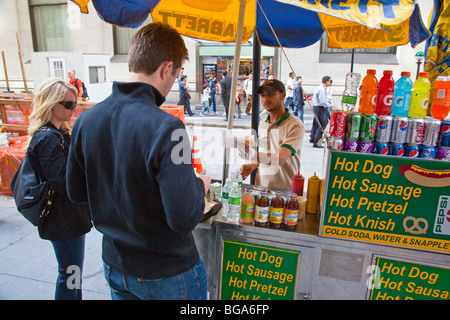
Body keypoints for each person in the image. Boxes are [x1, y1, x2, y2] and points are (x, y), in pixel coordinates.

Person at [66, 22, 211, 300]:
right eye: (177, 74)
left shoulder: (86, 119)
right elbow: (183, 218)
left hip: (116, 264)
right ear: (166, 69)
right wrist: (200, 185)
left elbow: (76, 192)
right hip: (167, 271)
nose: (173, 83)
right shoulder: (169, 128)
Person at [27, 78, 91, 300]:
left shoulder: (58, 134)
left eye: (75, 103)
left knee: (72, 272)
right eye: (69, 104)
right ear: (52, 104)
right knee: (71, 272)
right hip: (63, 219)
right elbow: (62, 181)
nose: (74, 109)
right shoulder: (48, 138)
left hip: (67, 217)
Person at [239, 79, 305, 190]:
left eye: (270, 94)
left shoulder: (295, 125)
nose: (266, 99)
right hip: (261, 188)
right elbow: (265, 151)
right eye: (263, 95)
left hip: (284, 191)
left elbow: (281, 158)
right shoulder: (264, 123)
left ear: (283, 95)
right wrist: (253, 164)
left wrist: (252, 154)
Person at [310, 76, 333, 148]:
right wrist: (330, 105)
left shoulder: (319, 88)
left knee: (316, 123)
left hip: (317, 107)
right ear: (327, 81)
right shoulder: (322, 89)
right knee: (322, 124)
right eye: (329, 81)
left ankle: (313, 138)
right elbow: (322, 101)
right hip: (320, 108)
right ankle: (316, 141)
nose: (330, 83)